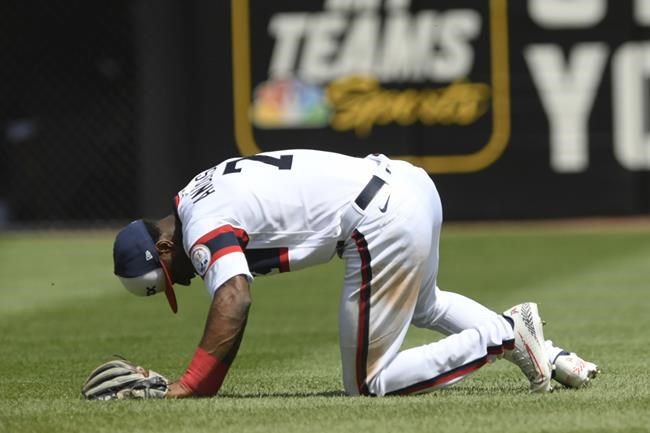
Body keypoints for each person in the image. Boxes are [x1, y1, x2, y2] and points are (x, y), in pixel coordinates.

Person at [112, 150, 598, 398]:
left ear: (164, 246)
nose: (185, 281)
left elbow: (234, 298)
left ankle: (506, 334)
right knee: (425, 304)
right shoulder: (198, 189)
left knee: (369, 384)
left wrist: (192, 386)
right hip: (406, 182)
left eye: (171, 277)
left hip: (377, 218)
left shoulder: (199, 226)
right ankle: (552, 356)